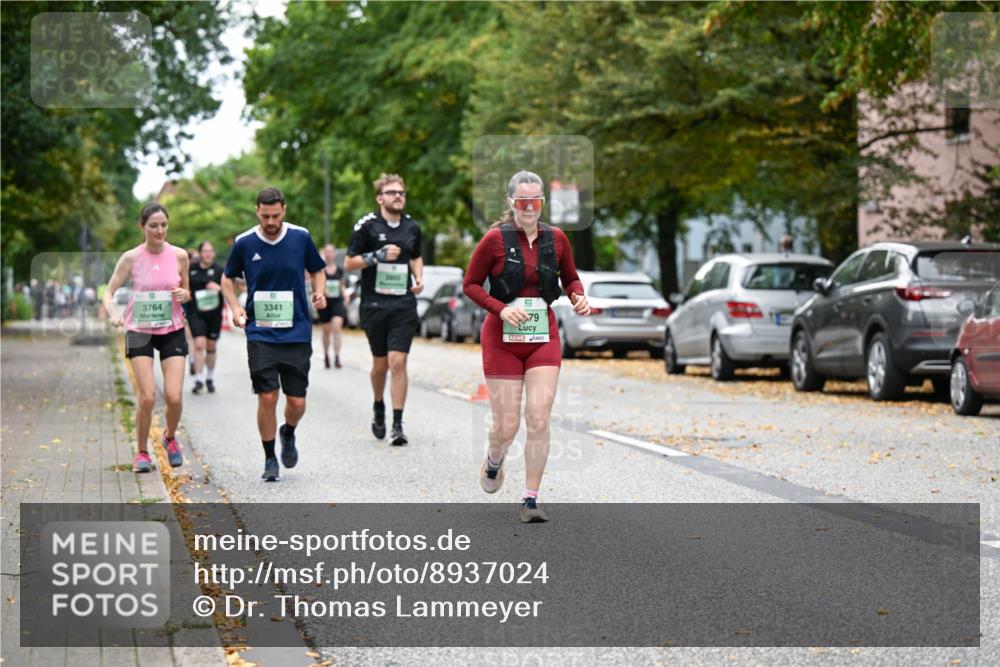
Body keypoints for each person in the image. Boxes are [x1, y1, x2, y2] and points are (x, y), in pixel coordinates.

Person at [463, 170, 590, 523]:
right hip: (502, 338)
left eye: (536, 201)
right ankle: (494, 458)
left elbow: (571, 277)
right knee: (507, 426)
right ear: (511, 204)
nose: (530, 207)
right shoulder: (494, 240)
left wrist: (577, 296)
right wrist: (501, 309)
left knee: (538, 416)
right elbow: (471, 284)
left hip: (542, 337)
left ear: (543, 203)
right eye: (523, 201)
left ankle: (531, 499)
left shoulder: (558, 239)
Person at [221, 187, 327, 482]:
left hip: (297, 331)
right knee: (267, 397)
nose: (271, 221)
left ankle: (288, 432)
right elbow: (227, 278)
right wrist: (235, 308)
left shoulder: (300, 237)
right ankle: (269, 459)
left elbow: (318, 269)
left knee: (296, 402)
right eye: (265, 216)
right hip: (261, 332)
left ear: (284, 210)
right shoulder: (244, 242)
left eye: (276, 215)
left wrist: (319, 291)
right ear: (257, 210)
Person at [102, 203, 190, 473]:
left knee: (174, 396)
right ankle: (141, 453)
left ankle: (170, 438)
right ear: (142, 227)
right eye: (153, 225)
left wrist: (185, 295)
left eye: (163, 224)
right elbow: (109, 292)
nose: (159, 230)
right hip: (139, 330)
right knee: (148, 396)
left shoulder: (179, 255)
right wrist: (114, 312)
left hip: (172, 328)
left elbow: (186, 290)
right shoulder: (131, 258)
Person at [345, 173, 425, 446]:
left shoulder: (412, 227)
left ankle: (398, 424)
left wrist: (420, 278)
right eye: (392, 193)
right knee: (380, 365)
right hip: (374, 304)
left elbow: (416, 256)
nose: (398, 197)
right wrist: (376, 256)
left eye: (401, 192)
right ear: (380, 198)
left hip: (403, 304)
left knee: (398, 362)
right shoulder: (366, 226)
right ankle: (379, 405)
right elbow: (349, 262)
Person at [188, 241, 225, 394]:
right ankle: (198, 379)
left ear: (214, 253)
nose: (208, 254)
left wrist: (219, 288)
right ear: (200, 253)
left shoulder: (219, 270)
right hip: (196, 313)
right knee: (199, 344)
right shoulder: (191, 270)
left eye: (210, 251)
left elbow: (229, 289)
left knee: (211, 346)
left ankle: (209, 377)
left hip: (214, 314)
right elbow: (185, 287)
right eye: (205, 251)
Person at [317, 243, 349, 369]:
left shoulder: (339, 270)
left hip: (337, 302)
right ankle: (326, 355)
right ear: (324, 253)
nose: (329, 254)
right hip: (325, 303)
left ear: (334, 253)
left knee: (337, 328)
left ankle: (337, 357)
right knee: (326, 331)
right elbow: (316, 284)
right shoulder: (320, 270)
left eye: (331, 251)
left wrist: (345, 295)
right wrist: (321, 292)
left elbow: (341, 285)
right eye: (327, 251)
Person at [184, 247, 200, 375]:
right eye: (193, 259)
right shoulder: (181, 272)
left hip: (196, 309)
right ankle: (192, 360)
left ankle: (193, 360)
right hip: (185, 308)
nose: (195, 261)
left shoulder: (197, 272)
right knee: (190, 337)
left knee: (192, 338)